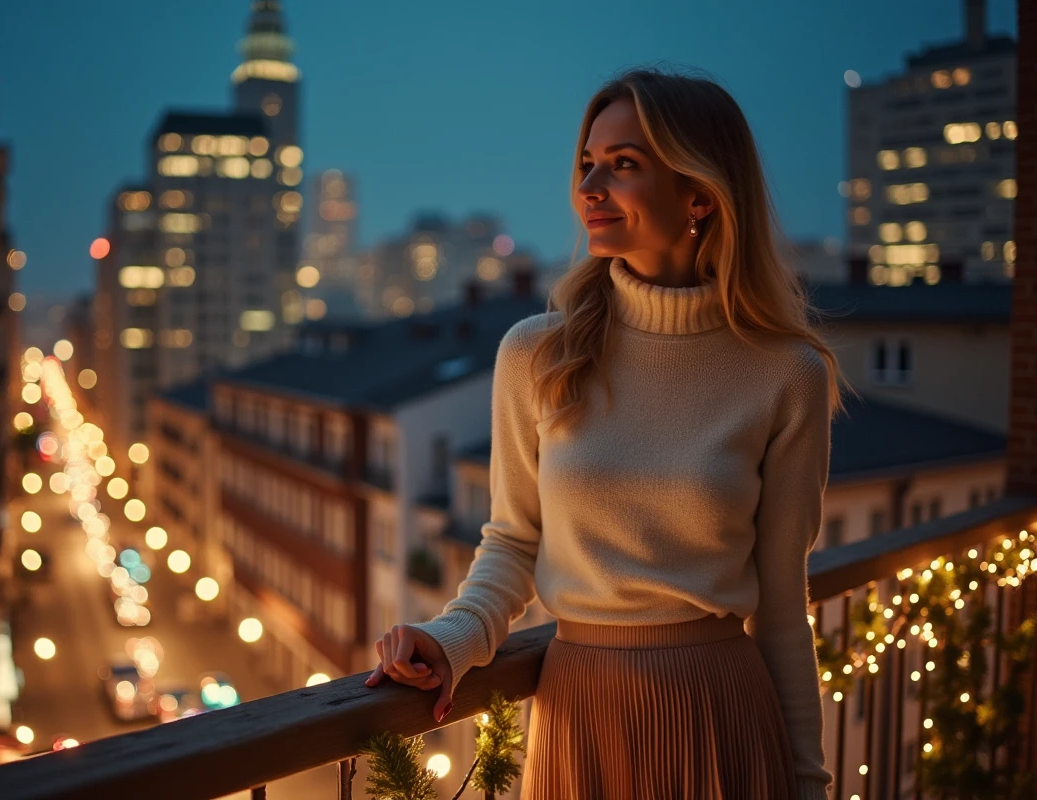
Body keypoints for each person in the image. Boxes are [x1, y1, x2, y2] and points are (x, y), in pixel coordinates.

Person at [365, 66, 856, 799]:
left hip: (721, 715)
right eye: (587, 164)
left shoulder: (786, 373)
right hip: (581, 714)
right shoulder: (539, 355)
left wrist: (809, 784)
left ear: (701, 194)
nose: (591, 187)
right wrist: (451, 638)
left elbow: (784, 608)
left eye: (624, 165)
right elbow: (512, 542)